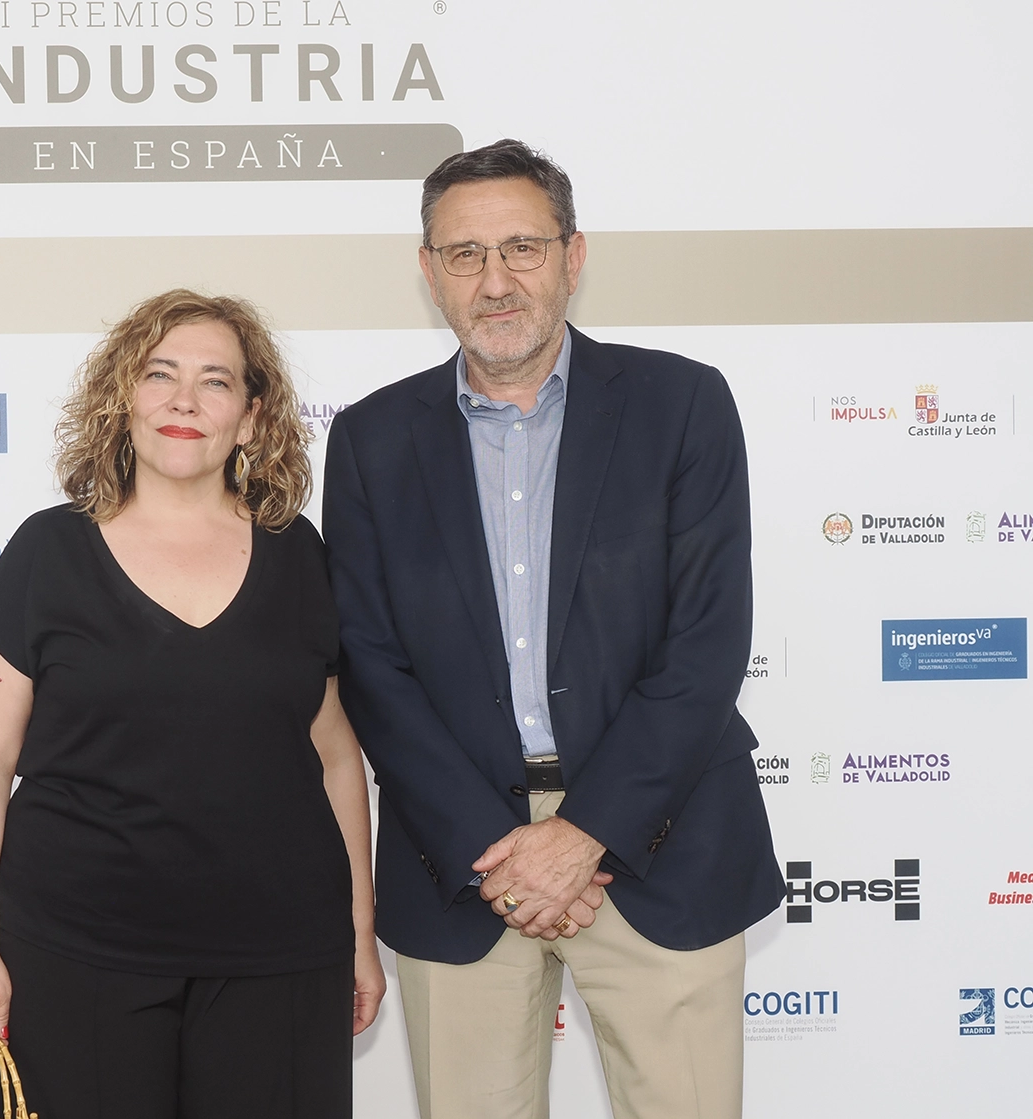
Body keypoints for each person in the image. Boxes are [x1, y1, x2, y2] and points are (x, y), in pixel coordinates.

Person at [321, 140, 785, 1119]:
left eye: (523, 248)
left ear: (574, 257)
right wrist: (499, 848)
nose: (495, 281)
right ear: (429, 272)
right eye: (464, 254)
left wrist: (585, 833)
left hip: (662, 842)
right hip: (462, 864)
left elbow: (704, 646)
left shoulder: (682, 404)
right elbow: (370, 663)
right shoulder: (370, 438)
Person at [0, 289, 385, 1119]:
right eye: (161, 375)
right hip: (78, 955)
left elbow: (335, 757)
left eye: (215, 381)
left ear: (251, 419)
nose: (185, 400)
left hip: (280, 955)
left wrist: (360, 933)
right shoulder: (50, 551)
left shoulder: (300, 557)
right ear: (125, 401)